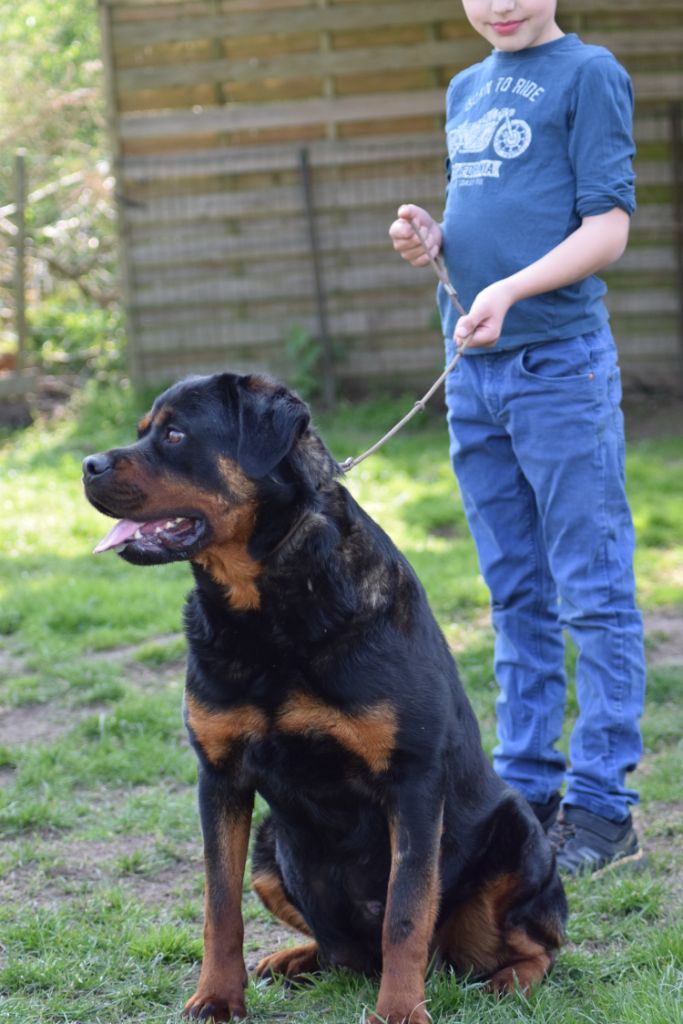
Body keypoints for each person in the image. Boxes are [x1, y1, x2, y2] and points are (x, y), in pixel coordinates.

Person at [389, 0, 646, 876]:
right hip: (473, 373)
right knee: (513, 591)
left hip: (557, 370)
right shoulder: (465, 87)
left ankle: (603, 807)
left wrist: (509, 291)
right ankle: (526, 789)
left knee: (591, 588)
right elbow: (491, 217)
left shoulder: (589, 74)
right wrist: (433, 239)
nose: (499, 3)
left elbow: (606, 229)